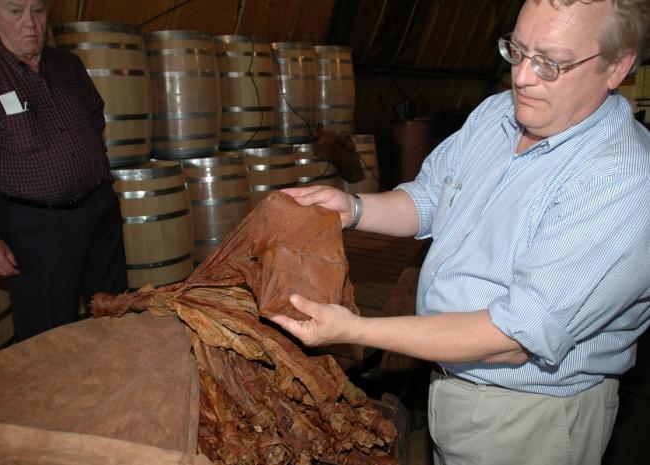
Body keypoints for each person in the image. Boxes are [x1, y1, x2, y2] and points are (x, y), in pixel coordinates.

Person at [272, 1, 650, 464]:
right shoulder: (496, 116)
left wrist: (355, 330)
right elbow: (431, 198)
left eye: (551, 63)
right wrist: (352, 208)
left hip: (531, 418)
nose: (524, 77)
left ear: (618, 66)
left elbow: (511, 339)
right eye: (518, 50)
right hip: (451, 382)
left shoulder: (621, 181)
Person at [0, 0, 128, 341]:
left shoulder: (68, 66)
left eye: (39, 11)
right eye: (16, 12)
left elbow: (95, 120)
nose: (30, 23)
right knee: (49, 335)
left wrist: (100, 178)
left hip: (98, 212)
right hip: (37, 229)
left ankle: (115, 388)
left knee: (113, 315)